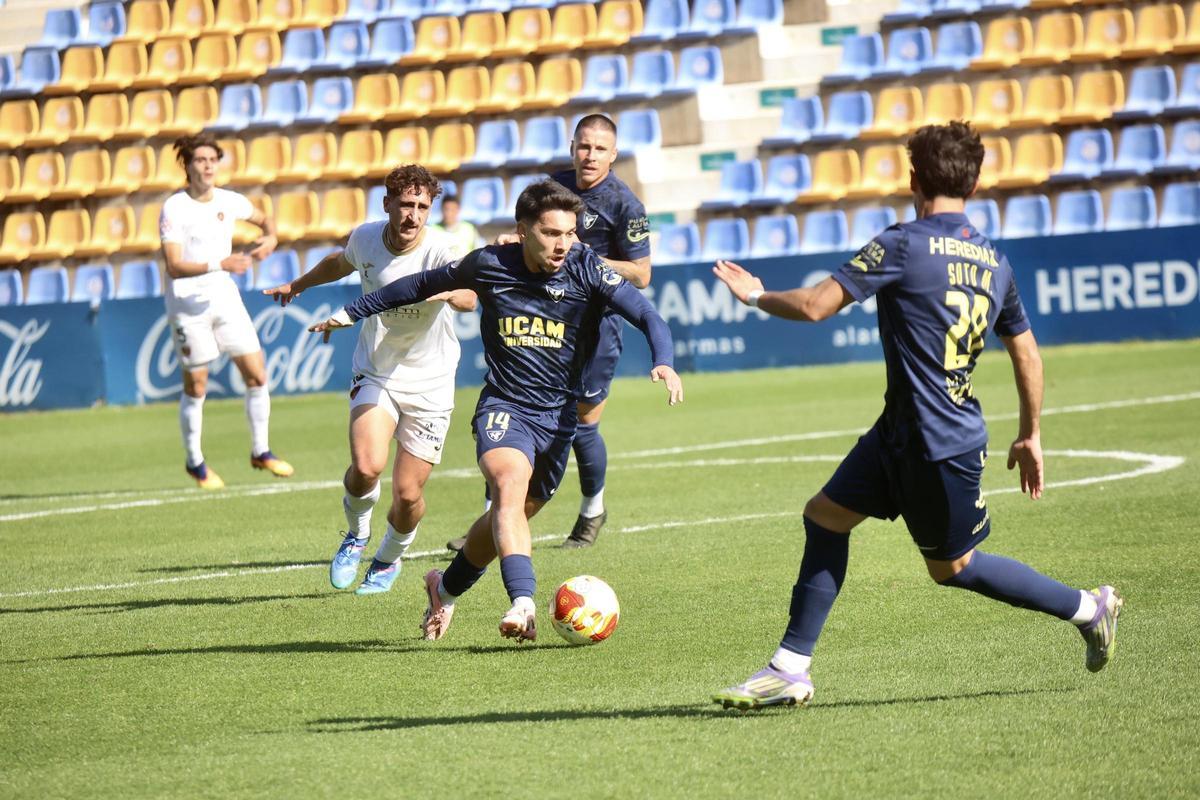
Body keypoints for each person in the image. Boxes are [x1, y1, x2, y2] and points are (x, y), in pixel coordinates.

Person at [709, 121, 1123, 710]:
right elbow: (1026, 351)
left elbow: (814, 306)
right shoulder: (994, 261)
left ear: (912, 179)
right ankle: (790, 668)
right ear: (974, 183)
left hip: (936, 442)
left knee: (953, 568)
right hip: (905, 430)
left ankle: (1089, 607)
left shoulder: (903, 242)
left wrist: (753, 295)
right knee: (825, 517)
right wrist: (1031, 433)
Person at [310, 180, 682, 642]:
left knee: (511, 518)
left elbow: (648, 315)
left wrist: (663, 359)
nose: (562, 244)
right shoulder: (488, 264)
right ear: (522, 230)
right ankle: (523, 603)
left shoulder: (586, 266)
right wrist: (353, 311)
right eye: (550, 233)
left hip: (559, 416)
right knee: (507, 489)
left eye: (569, 233)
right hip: (505, 407)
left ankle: (442, 591)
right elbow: (419, 284)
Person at [263, 165, 476, 595]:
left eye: (422, 206)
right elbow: (339, 262)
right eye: (405, 204)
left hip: (432, 381)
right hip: (377, 368)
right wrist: (298, 285)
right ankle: (356, 535)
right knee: (365, 467)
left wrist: (453, 294)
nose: (413, 214)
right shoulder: (366, 237)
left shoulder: (444, 248)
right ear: (387, 205)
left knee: (407, 495)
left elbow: (471, 296)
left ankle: (388, 559)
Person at [447, 113, 652, 552]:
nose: (590, 155)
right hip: (539, 318)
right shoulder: (553, 189)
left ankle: (592, 510)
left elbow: (641, 274)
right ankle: (493, 522)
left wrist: (587, 260)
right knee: (513, 410)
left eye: (600, 148)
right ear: (572, 146)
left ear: (613, 155)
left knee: (580, 422)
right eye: (583, 146)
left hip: (591, 329)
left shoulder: (624, 204)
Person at [159, 133, 293, 490]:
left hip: (225, 299)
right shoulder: (175, 207)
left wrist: (271, 239)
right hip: (188, 305)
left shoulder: (229, 201)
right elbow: (173, 265)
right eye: (200, 160)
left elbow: (266, 220)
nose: (207, 165)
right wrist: (222, 261)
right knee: (197, 385)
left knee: (257, 374)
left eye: (212, 159)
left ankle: (261, 450)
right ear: (187, 166)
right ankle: (195, 462)